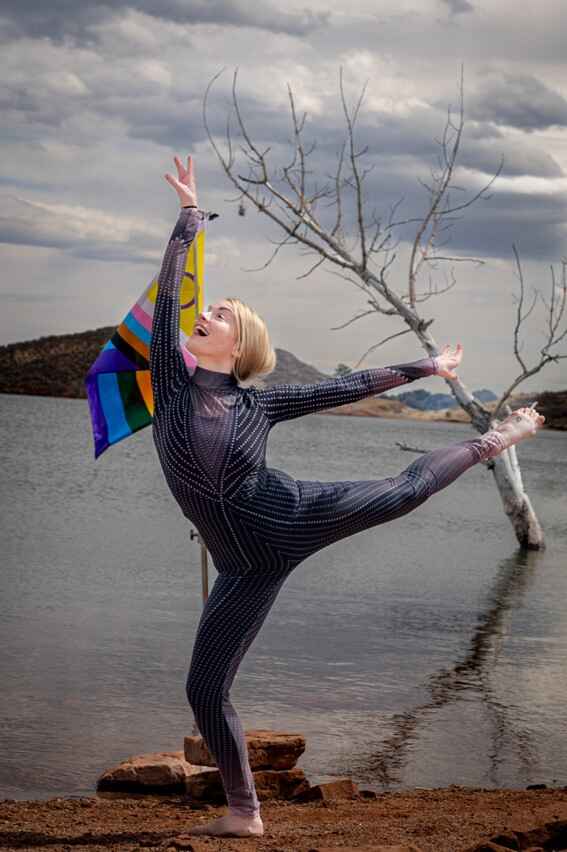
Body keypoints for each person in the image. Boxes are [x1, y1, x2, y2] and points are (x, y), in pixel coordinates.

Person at [151, 155, 545, 838]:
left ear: (238, 344)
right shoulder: (170, 382)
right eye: (208, 309)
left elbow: (343, 387)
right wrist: (188, 220)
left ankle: (491, 441)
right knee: (203, 689)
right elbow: (166, 299)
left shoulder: (261, 406)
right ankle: (244, 812)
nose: (204, 314)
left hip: (292, 514)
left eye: (218, 314)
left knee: (400, 493)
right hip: (244, 566)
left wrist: (427, 366)